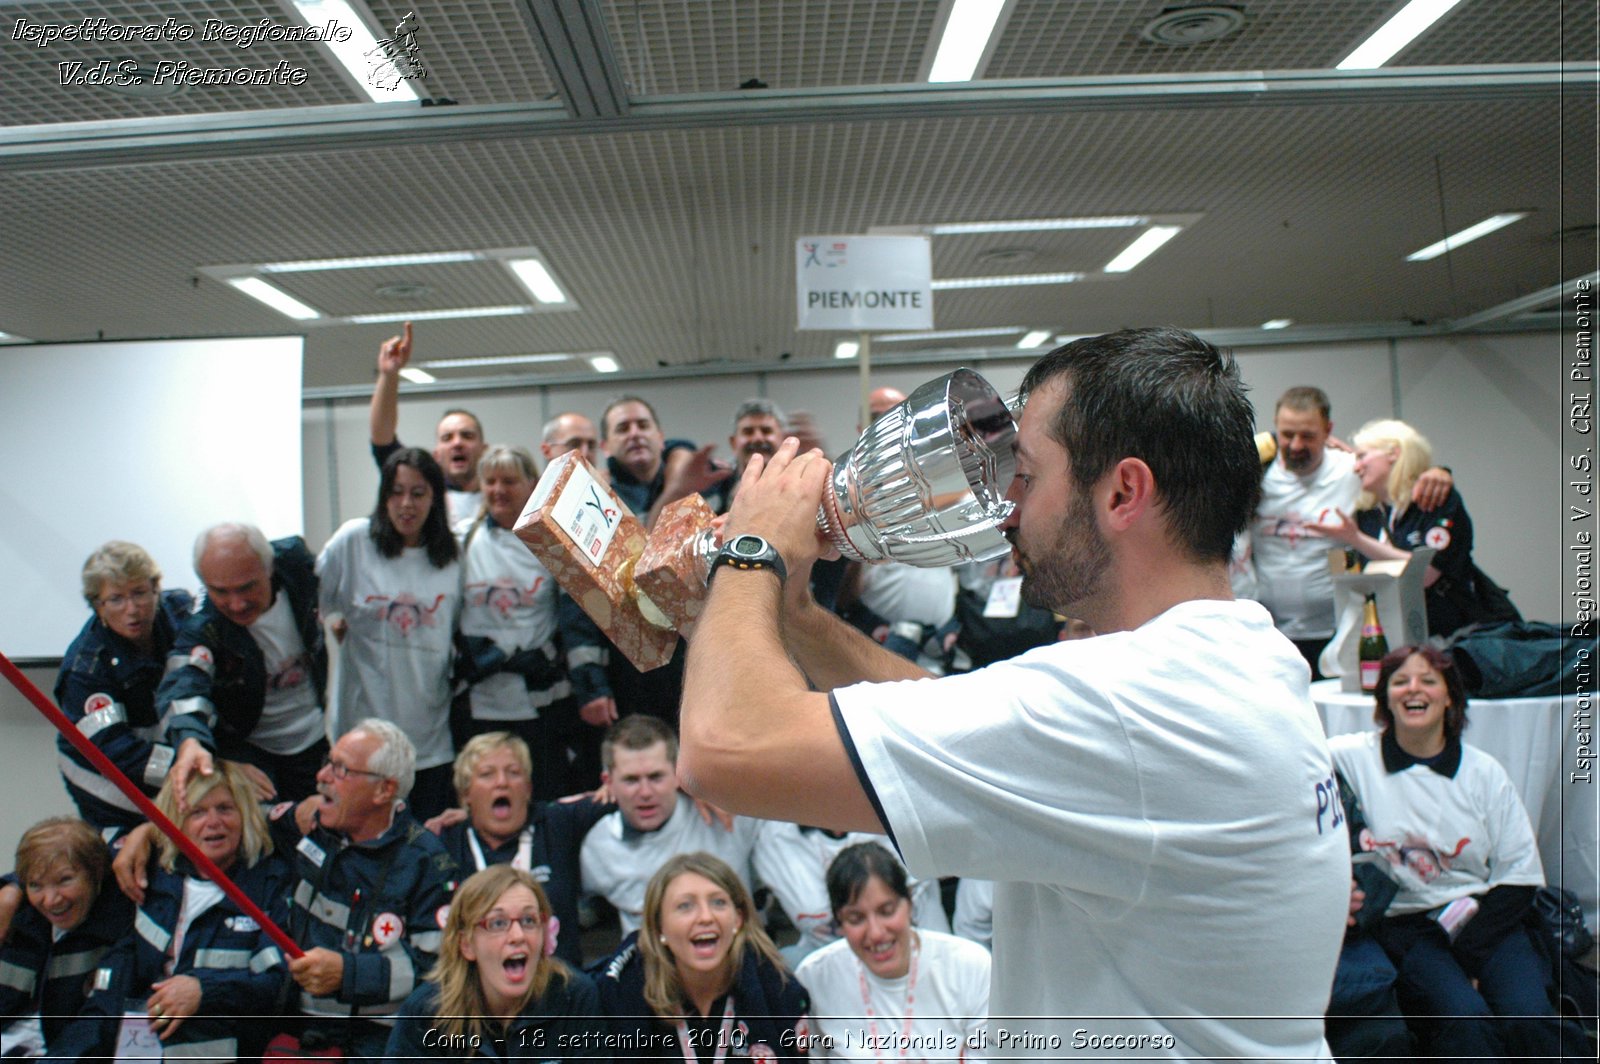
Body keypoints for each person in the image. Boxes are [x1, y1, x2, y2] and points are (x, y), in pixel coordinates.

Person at [677, 327, 1351, 1058]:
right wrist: (799, 616)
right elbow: (958, 723)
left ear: (1124, 492)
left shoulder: (1131, 702)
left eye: (1027, 474)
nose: (1006, 508)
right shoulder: (1231, 659)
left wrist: (753, 552)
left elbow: (724, 748)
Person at [1328, 645, 1578, 1059]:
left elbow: (1519, 876)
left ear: (1450, 697)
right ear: (1385, 698)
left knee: (1529, 1016)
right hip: (1406, 926)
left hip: (1487, 919)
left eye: (1429, 680)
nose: (1414, 690)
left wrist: (1470, 958)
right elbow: (1295, 757)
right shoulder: (1353, 757)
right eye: (1400, 681)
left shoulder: (1484, 773)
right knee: (1465, 1021)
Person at [70, 763, 290, 1061]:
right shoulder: (151, 875)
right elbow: (57, 868)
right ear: (177, 823)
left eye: (225, 809)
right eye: (197, 812)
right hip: (139, 1047)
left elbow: (275, 985)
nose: (214, 822)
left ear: (245, 816)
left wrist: (203, 991)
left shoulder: (271, 885)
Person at [278, 719, 457, 1061]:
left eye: (341, 769)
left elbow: (439, 972)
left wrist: (348, 974)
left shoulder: (427, 863)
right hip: (296, 1027)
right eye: (327, 763)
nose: (322, 777)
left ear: (383, 791)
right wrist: (147, 835)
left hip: (380, 1041)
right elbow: (240, 823)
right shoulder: (313, 827)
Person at [1251, 388, 1453, 676]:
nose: (1295, 445)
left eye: (1307, 435)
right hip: (1271, 631)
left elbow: (1401, 476)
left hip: (1340, 629)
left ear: (1327, 430)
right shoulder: (1255, 474)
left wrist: (1440, 473)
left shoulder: (1352, 470)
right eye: (1286, 434)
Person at [318, 448, 462, 820]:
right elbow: (312, 601)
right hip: (364, 738)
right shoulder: (354, 542)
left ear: (435, 497)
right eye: (395, 492)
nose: (406, 504)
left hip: (430, 736)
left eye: (418, 493)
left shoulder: (454, 553)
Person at [160, 523, 327, 810]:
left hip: (321, 737)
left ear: (269, 567)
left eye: (247, 587)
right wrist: (190, 740)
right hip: (253, 753)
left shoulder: (299, 566)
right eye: (221, 592)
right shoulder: (203, 625)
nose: (236, 604)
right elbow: (183, 683)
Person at [596, 852, 810, 1062]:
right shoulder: (621, 991)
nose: (706, 917)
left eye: (718, 902)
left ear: (738, 919)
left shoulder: (776, 985)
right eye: (685, 906)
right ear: (659, 927)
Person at [1316, 419, 1513, 639]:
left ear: (1394, 453)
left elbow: (1424, 574)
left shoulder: (1435, 500)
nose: (1356, 467)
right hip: (1403, 636)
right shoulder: (1370, 514)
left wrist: (1356, 539)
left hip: (1459, 636)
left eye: (1362, 456)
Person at [456, 445, 580, 794]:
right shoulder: (462, 539)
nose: (498, 490)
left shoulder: (553, 542)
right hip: (480, 697)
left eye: (509, 480)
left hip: (540, 700)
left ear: (531, 484)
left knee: (542, 793)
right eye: (490, 481)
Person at [385, 865, 600, 1061]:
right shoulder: (428, 1012)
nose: (518, 935)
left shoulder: (574, 997)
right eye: (498, 923)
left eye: (529, 921)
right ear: (466, 944)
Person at [796, 842, 989, 1060]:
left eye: (886, 911)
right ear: (839, 922)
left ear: (909, 904)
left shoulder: (970, 966)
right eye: (856, 919)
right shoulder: (815, 977)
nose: (876, 933)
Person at [432, 733, 611, 967]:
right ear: (465, 793)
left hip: (557, 987)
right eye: (487, 774)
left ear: (527, 788)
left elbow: (632, 792)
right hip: (476, 990)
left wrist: (615, 788)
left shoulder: (557, 822)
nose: (502, 782)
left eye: (513, 773)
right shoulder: (445, 842)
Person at [54, 541, 193, 832]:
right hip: (107, 779)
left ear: (156, 588)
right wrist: (187, 771)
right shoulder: (85, 670)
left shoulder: (182, 612)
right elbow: (117, 752)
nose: (133, 609)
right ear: (97, 606)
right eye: (116, 599)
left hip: (169, 757)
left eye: (140, 593)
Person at [580, 716, 761, 938]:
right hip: (648, 967)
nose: (645, 792)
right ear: (608, 782)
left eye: (656, 777)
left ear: (678, 774)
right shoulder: (598, 845)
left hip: (739, 960)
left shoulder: (725, 815)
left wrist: (711, 784)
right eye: (631, 780)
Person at [0, 818, 132, 1058]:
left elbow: (97, 1026)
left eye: (65, 880)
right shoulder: (14, 919)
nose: (51, 900)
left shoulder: (122, 930)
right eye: (35, 885)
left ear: (96, 873)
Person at [752, 821, 948, 963]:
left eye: (886, 909)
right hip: (835, 964)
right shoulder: (775, 837)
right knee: (790, 961)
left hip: (922, 950)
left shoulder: (899, 813)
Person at [370, 321, 489, 525]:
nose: (457, 443)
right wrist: (389, 376)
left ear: (485, 450)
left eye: (467, 436)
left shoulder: (501, 496)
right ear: (437, 454)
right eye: (447, 438)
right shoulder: (425, 492)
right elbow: (383, 440)